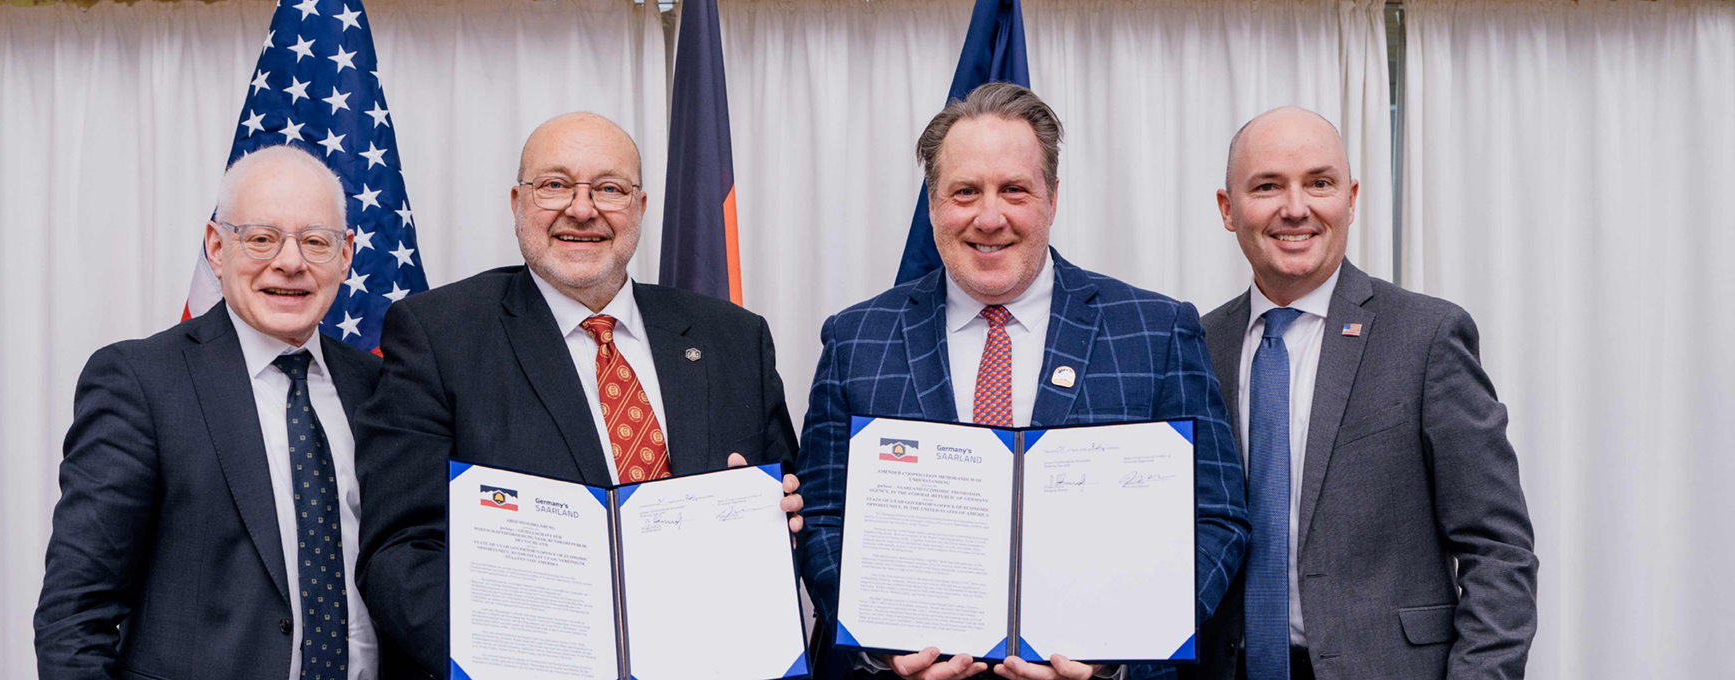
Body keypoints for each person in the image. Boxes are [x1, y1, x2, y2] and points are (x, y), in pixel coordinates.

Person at [795, 82, 1250, 680]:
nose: (990, 217)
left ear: (1052, 199)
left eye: (1014, 190)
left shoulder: (1156, 331)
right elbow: (822, 518)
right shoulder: (856, 340)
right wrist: (879, 647)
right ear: (932, 203)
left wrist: (1121, 655)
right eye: (965, 191)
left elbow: (1217, 519)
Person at [353, 111, 803, 678]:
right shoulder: (438, 335)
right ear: (517, 203)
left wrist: (781, 520)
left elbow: (793, 515)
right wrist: (518, 661)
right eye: (555, 185)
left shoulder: (734, 338)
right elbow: (400, 554)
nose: (583, 209)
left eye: (610, 189)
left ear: (640, 207)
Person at [1191, 107, 1537, 680]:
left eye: (1319, 183)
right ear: (1228, 209)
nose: (1295, 207)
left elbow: (1498, 550)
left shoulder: (1426, 337)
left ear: (1350, 199)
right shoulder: (1195, 346)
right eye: (1267, 186)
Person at [35, 145, 382, 680]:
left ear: (346, 255)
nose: (290, 263)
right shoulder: (141, 382)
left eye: (315, 241)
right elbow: (74, 617)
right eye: (262, 238)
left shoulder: (380, 386)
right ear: (217, 248)